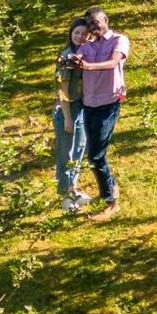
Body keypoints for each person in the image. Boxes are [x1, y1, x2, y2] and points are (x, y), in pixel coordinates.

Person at [76, 6, 129, 214]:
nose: (93, 26)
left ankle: (111, 200)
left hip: (108, 103)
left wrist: (88, 67)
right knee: (94, 155)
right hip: (89, 104)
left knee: (97, 155)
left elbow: (114, 62)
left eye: (96, 22)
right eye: (89, 24)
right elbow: (76, 58)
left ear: (105, 19)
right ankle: (108, 189)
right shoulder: (87, 46)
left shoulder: (119, 40)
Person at [53, 17, 91, 211]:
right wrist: (68, 117)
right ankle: (65, 195)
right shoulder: (67, 57)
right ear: (71, 33)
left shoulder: (85, 55)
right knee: (65, 153)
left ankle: (73, 188)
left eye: (84, 34)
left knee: (79, 149)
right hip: (66, 110)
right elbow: (63, 90)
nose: (80, 37)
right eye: (77, 32)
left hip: (81, 110)